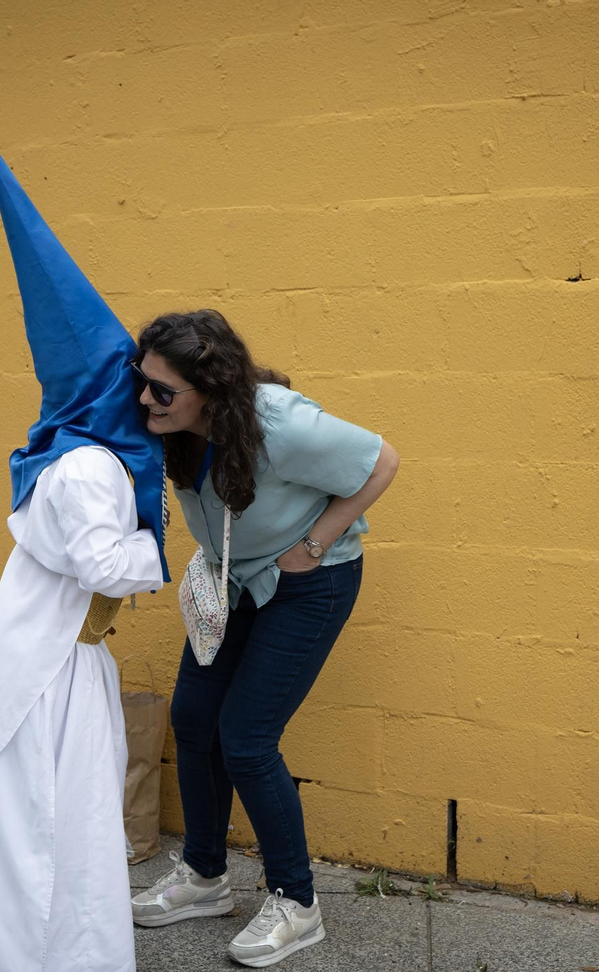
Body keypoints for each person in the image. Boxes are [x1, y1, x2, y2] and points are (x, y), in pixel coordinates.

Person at [127, 309, 399, 968]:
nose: (145, 400)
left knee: (245, 739)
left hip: (311, 582)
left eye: (162, 390)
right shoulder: (175, 426)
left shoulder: (279, 423)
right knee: (194, 719)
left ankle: (296, 904)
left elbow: (381, 462)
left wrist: (315, 544)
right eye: (143, 384)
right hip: (236, 582)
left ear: (210, 389)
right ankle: (204, 878)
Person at [0, 125, 169, 972]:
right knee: (56, 824)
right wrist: (163, 557)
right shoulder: (88, 465)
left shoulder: (72, 451)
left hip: (60, 659)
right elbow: (100, 563)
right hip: (52, 671)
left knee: (68, 820)